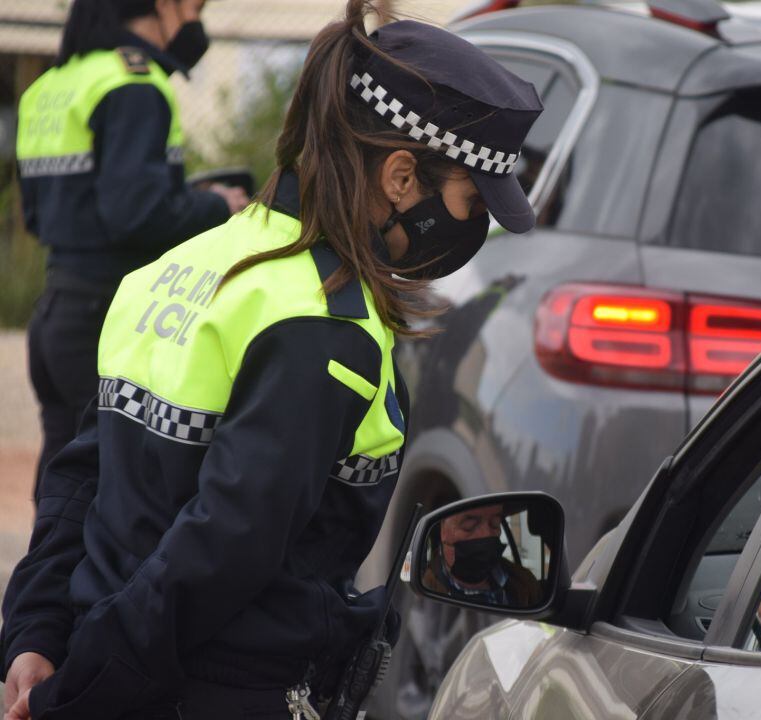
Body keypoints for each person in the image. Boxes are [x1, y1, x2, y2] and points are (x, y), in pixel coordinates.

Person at [0, 4, 542, 718]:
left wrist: (36, 636)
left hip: (107, 671)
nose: (475, 228)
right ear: (402, 178)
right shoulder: (326, 325)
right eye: (473, 201)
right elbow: (222, 551)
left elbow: (80, 474)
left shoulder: (178, 266)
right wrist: (82, 692)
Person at [17, 0, 248, 495]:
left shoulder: (52, 86)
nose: (198, 18)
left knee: (63, 482)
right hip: (105, 318)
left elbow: (35, 215)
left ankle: (44, 574)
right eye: (198, 5)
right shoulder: (136, 86)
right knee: (113, 487)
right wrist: (216, 206)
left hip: (55, 313)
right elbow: (135, 214)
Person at [423, 504, 544, 607]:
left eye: (495, 524)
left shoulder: (526, 584)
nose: (486, 534)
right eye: (469, 525)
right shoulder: (423, 593)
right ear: (443, 531)